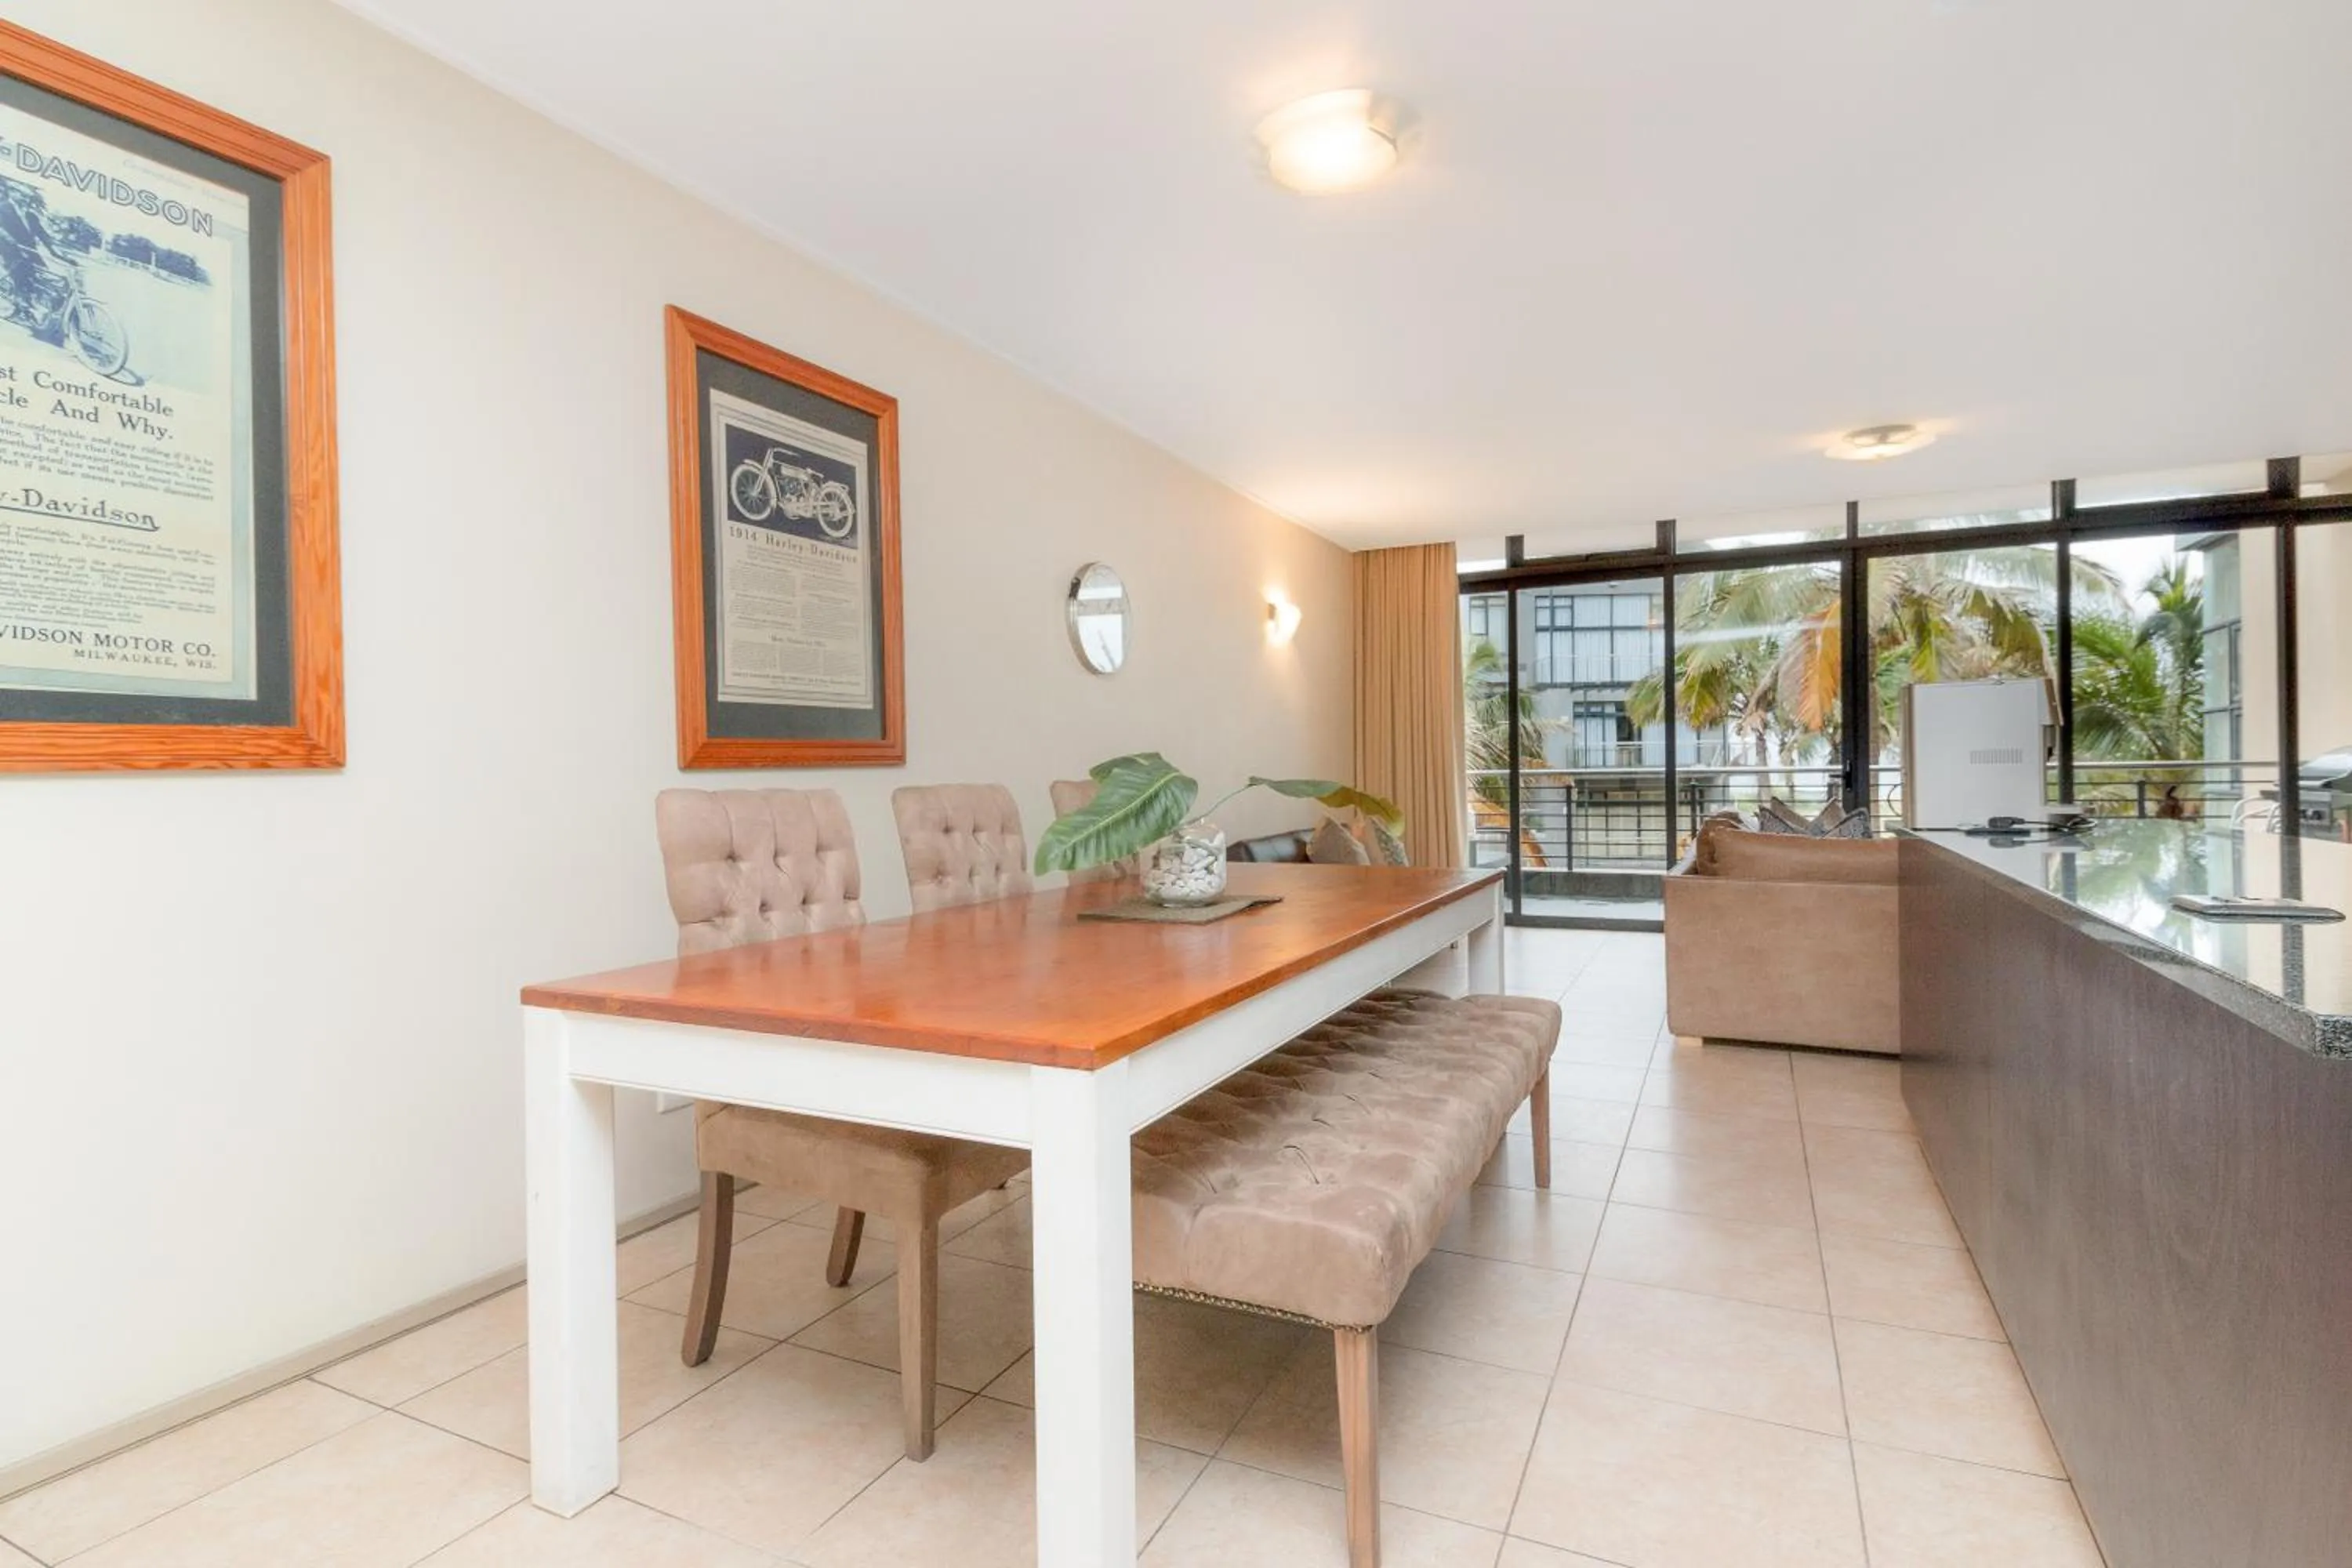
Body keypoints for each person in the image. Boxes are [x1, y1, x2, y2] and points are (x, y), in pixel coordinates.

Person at [0, 180, 68, 343]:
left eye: (26, 194)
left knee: (47, 281)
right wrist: (10, 241)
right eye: (19, 193)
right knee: (21, 278)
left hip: (31, 253)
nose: (23, 196)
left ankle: (39, 309)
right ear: (12, 193)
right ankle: (22, 308)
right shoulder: (3, 208)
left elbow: (44, 237)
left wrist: (59, 254)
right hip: (10, 251)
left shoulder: (31, 215)